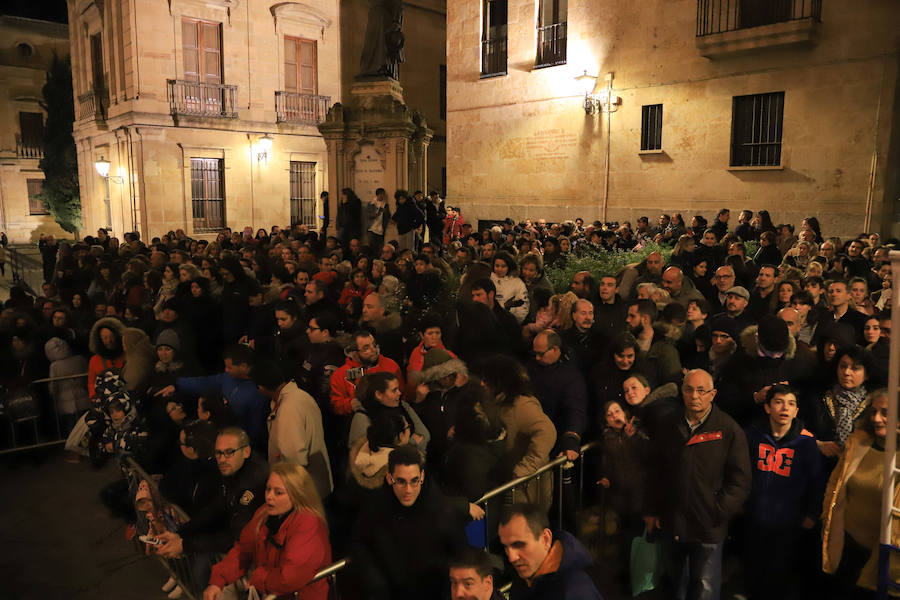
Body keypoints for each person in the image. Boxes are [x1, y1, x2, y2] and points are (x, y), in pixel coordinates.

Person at [645, 369, 752, 600]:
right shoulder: (668, 425)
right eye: (689, 389)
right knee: (675, 585)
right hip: (672, 522)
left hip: (708, 527)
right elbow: (656, 471)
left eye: (701, 391)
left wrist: (717, 510)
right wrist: (653, 510)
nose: (695, 396)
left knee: (704, 588)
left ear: (712, 394)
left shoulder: (728, 430)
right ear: (681, 392)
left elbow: (740, 480)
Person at [353, 445, 484, 598]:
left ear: (422, 476)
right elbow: (360, 546)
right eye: (401, 481)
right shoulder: (376, 510)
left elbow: (459, 559)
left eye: (414, 481)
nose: (408, 490)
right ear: (389, 478)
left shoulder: (441, 511)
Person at [743, 384, 825, 600]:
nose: (784, 408)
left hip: (789, 521)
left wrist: (812, 513)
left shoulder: (806, 443)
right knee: (753, 570)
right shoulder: (752, 435)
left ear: (797, 411)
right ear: (768, 407)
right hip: (755, 517)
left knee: (780, 574)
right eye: (778, 402)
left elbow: (816, 482)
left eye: (790, 404)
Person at [204, 462, 332, 600]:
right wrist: (218, 581)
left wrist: (259, 578)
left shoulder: (308, 523)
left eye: (278, 492)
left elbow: (290, 577)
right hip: (272, 592)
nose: (269, 496)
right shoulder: (264, 513)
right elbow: (243, 550)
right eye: (268, 489)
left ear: (297, 494)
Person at [822, 389, 900, 598]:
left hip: (883, 555)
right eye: (874, 411)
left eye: (885, 413)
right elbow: (835, 485)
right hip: (846, 544)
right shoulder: (858, 443)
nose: (876, 418)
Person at [253, 360, 332, 501]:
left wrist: (287, 492)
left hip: (304, 488)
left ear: (261, 388)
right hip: (315, 479)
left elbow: (294, 456)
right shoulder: (300, 396)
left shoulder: (288, 408)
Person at [498, 503, 602, 599]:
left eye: (519, 545)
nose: (511, 558)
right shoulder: (526, 576)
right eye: (506, 547)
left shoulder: (575, 590)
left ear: (545, 539)